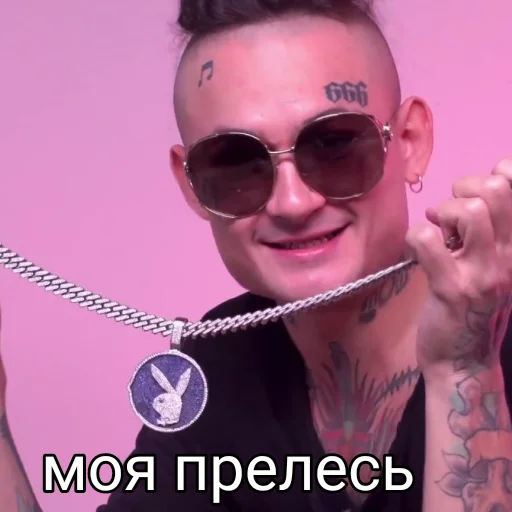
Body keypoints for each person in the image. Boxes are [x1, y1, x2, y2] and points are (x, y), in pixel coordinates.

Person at [1, 0, 512, 510]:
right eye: (236, 162)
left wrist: (465, 368)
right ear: (191, 185)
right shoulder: (217, 371)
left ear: (409, 142)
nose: (292, 203)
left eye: (333, 144)